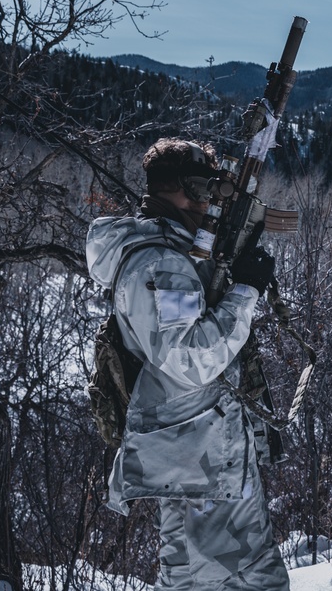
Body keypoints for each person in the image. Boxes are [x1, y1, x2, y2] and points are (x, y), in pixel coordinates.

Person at [86, 138, 289, 590]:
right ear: (184, 190)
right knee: (235, 582)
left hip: (202, 455)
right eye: (205, 190)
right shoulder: (161, 263)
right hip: (197, 462)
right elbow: (190, 359)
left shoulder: (174, 256)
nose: (210, 201)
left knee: (236, 579)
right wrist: (245, 292)